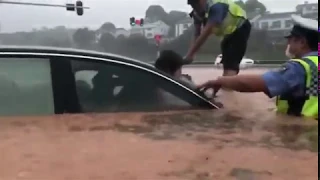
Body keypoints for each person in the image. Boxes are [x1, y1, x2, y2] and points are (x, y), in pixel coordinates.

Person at [197, 15, 318, 119]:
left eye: (291, 40)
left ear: (302, 42)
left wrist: (220, 81)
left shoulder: (299, 68)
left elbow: (252, 84)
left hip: (300, 135)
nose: (288, 44)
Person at [184, 0, 251, 78]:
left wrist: (191, 54)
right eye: (192, 4)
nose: (195, 7)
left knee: (231, 61)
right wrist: (190, 55)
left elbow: (205, 34)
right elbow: (197, 34)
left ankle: (228, 86)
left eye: (196, 3)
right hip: (228, 33)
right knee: (226, 57)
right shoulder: (197, 14)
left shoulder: (216, 7)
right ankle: (226, 84)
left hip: (241, 26)